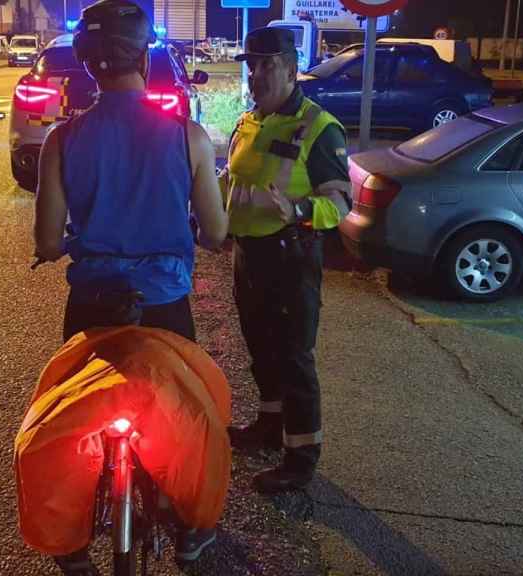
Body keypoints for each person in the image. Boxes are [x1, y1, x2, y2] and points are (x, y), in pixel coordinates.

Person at [31, 0, 227, 571]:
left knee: (75, 415)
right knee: (189, 417)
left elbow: (47, 240)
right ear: (144, 59)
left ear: (87, 65)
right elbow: (216, 232)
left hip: (91, 308)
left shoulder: (62, 140)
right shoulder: (188, 137)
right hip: (165, 307)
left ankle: (71, 542)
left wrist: (66, 244)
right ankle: (190, 528)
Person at [225, 27, 351, 493]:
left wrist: (298, 211)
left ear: (292, 70)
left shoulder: (318, 127)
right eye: (251, 65)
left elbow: (341, 203)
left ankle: (300, 457)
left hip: (290, 256)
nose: (256, 74)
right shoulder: (248, 121)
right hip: (247, 254)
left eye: (267, 65)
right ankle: (269, 427)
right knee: (261, 350)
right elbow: (231, 181)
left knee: (294, 357)